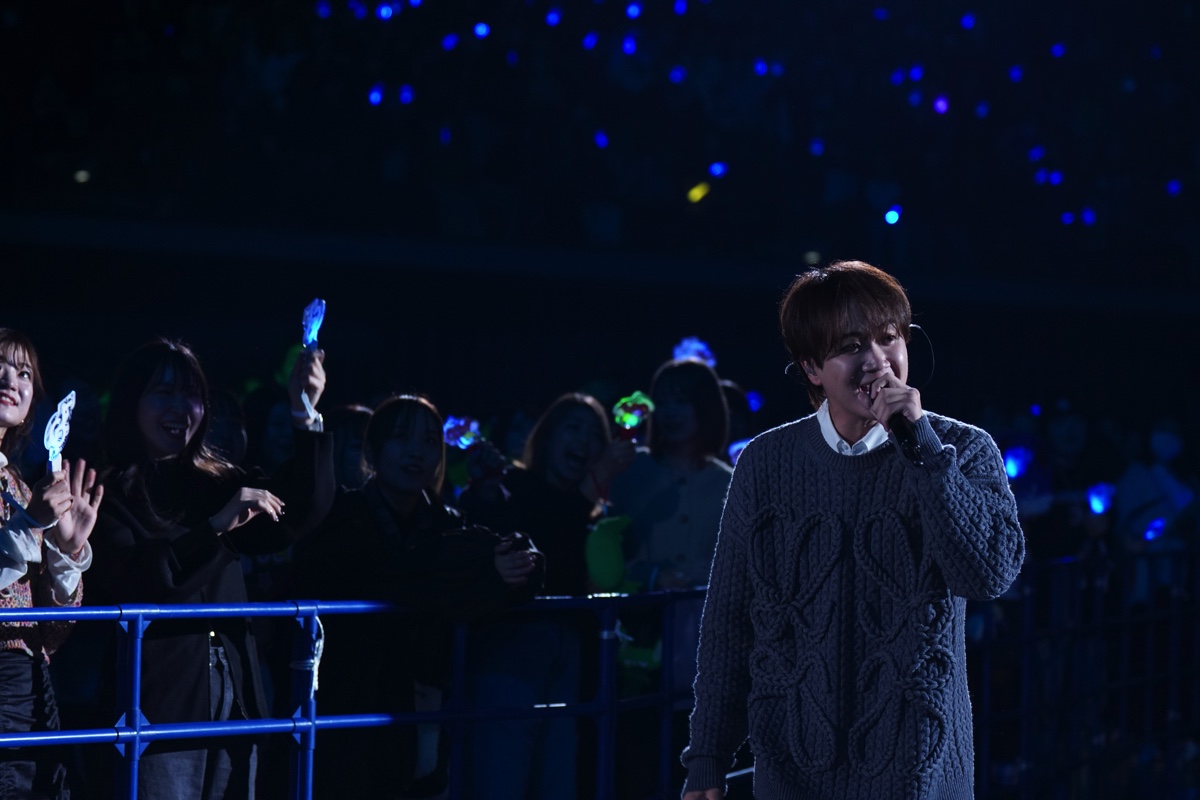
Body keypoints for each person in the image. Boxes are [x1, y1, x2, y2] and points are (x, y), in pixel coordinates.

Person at [681, 261, 1025, 799]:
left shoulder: (964, 449)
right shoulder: (767, 462)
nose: (876, 362)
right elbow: (729, 620)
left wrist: (923, 451)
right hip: (793, 768)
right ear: (812, 367)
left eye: (889, 339)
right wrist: (707, 755)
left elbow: (987, 576)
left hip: (918, 767)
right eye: (850, 346)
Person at [86, 338, 331, 800]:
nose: (181, 407)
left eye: (192, 394)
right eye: (163, 393)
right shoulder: (106, 491)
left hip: (238, 697)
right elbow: (145, 578)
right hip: (157, 707)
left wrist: (306, 414)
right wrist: (216, 528)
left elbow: (296, 513)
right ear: (130, 402)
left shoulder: (217, 479)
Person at [287, 394, 542, 799]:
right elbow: (375, 580)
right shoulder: (340, 516)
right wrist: (466, 576)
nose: (416, 453)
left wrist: (494, 513)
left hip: (426, 699)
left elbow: (523, 564)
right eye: (401, 438)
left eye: (428, 442)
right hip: (348, 695)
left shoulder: (447, 522)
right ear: (372, 451)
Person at [457, 392, 634, 800]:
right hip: (510, 651)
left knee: (557, 782)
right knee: (501, 779)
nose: (585, 441)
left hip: (570, 657)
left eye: (595, 435)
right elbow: (541, 550)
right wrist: (595, 481)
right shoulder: (514, 487)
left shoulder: (596, 509)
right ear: (547, 437)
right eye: (573, 428)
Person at [0, 328, 103, 799]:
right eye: (0, 366)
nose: (11, 379)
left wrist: (66, 553)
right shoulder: (28, 502)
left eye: (24, 373)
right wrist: (27, 527)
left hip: (32, 690)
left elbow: (52, 634)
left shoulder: (22, 489)